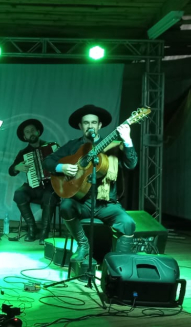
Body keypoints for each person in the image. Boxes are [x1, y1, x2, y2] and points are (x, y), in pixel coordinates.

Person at [43, 104, 138, 267]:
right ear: (80, 126)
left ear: (100, 125)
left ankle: (119, 265)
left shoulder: (114, 144)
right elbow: (48, 161)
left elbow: (131, 165)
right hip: (82, 203)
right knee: (65, 205)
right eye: (86, 123)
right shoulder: (73, 145)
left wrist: (128, 139)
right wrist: (62, 167)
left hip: (107, 203)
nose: (90, 126)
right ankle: (83, 245)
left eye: (94, 122)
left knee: (128, 223)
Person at [8, 119, 59, 242]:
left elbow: (65, 162)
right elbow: (11, 171)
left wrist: (59, 155)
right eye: (27, 132)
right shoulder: (23, 153)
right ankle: (32, 228)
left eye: (32, 130)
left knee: (50, 195)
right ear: (24, 137)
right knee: (19, 193)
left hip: (50, 185)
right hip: (33, 186)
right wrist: (16, 167)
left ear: (38, 132)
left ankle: (44, 232)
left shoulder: (52, 146)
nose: (30, 133)